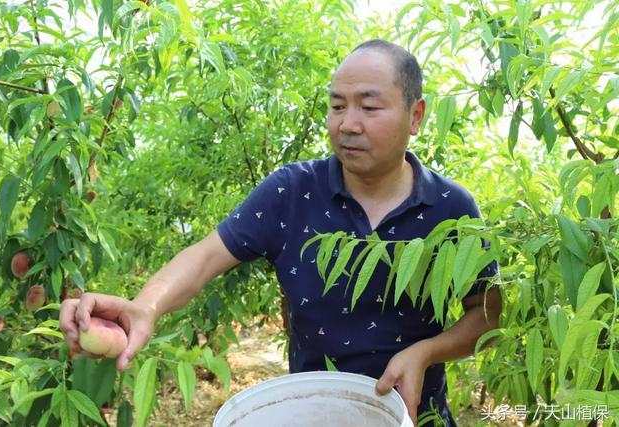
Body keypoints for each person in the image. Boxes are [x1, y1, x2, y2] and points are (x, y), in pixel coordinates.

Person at [60, 39, 502, 426]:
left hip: (412, 414)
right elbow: (206, 257)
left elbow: (487, 314)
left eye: (369, 107)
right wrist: (145, 307)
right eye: (336, 106)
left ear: (416, 115)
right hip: (312, 413)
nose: (347, 123)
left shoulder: (450, 210)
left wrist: (424, 352)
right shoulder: (293, 193)